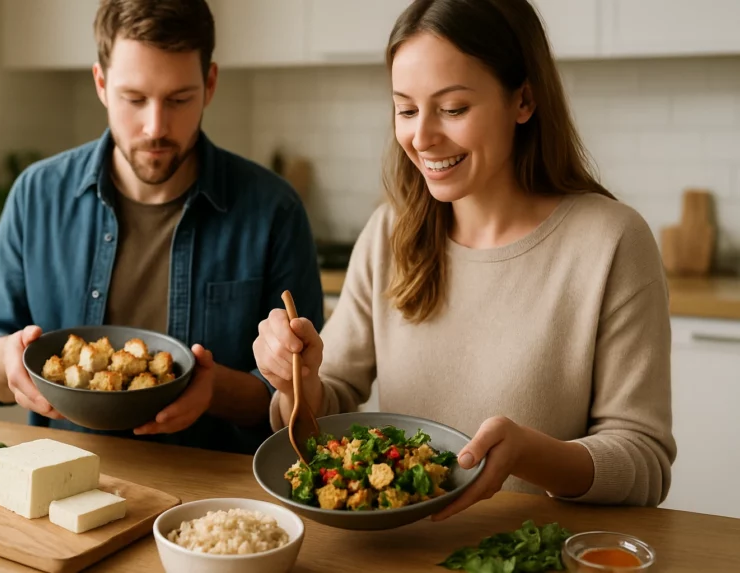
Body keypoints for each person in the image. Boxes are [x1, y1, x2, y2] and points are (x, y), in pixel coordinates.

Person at [253, 0, 676, 517]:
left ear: (523, 100)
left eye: (452, 109)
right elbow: (328, 400)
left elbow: (644, 461)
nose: (422, 137)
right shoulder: (390, 232)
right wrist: (296, 378)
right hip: (400, 554)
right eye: (405, 109)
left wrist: (532, 456)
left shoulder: (612, 241)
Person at [0, 0, 324, 455]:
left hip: (213, 507)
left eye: (178, 99)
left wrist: (215, 391)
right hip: (63, 486)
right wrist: (7, 361)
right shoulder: (37, 194)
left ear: (209, 84)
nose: (156, 126)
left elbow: (300, 396)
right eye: (134, 99)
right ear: (101, 83)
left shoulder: (273, 209)